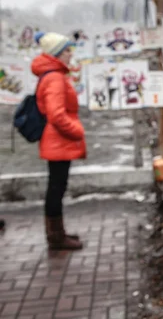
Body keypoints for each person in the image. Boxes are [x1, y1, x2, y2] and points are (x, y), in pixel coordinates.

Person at [31, 32, 86, 250]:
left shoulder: (53, 75)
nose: (70, 54)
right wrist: (77, 131)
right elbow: (56, 115)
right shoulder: (54, 78)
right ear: (56, 54)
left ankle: (57, 232)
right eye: (66, 51)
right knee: (56, 187)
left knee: (57, 186)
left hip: (56, 141)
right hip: (58, 141)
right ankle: (55, 236)